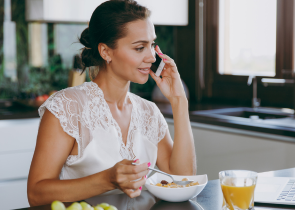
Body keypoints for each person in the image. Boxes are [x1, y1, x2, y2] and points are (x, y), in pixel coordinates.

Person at [27, 0, 196, 206]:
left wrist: (179, 100)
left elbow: (182, 180)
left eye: (152, 45)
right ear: (106, 52)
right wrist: (106, 179)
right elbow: (36, 193)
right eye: (140, 47)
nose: (152, 57)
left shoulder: (149, 112)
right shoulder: (66, 107)